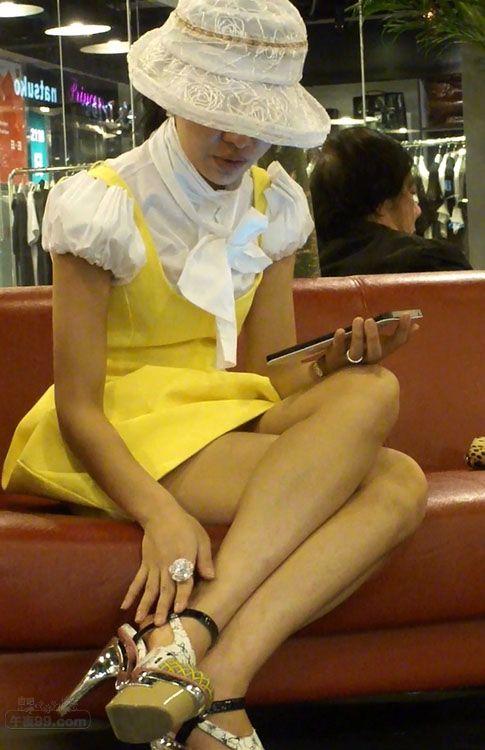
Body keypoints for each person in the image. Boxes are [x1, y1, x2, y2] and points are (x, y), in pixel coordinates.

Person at [1, 2, 428, 749]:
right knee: (392, 484)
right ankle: (207, 670)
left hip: (220, 413)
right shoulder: (101, 203)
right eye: (218, 112)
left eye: (255, 118)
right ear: (175, 97)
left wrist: (336, 365)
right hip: (122, 430)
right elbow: (78, 407)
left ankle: (201, 660)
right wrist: (159, 513)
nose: (237, 137)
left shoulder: (275, 203)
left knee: (376, 394)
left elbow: (271, 379)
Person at [311, 126, 472, 276]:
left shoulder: (308, 270)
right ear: (383, 202)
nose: (418, 210)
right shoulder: (435, 262)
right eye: (411, 193)